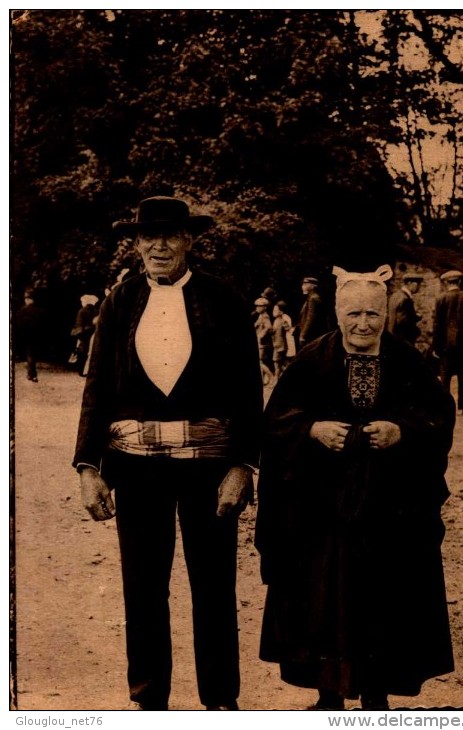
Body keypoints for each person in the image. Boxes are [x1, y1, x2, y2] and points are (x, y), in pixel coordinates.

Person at [73, 196, 262, 711]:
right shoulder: (119, 301)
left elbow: (249, 389)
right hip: (136, 470)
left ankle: (221, 699)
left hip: (209, 467)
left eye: (170, 235)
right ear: (136, 245)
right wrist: (89, 467)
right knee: (143, 587)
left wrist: (244, 465)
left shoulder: (224, 300)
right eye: (147, 236)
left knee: (214, 586)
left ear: (189, 241)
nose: (158, 245)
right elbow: (98, 388)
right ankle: (148, 697)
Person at [256, 265, 455, 711]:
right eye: (353, 315)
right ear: (337, 314)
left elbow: (438, 417)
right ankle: (328, 696)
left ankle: (376, 695)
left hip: (389, 510)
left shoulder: (408, 361)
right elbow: (276, 421)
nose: (363, 324)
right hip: (322, 509)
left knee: (384, 599)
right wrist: (312, 429)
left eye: (372, 314)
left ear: (386, 315)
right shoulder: (310, 359)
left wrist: (401, 431)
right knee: (325, 598)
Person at [433, 270, 463, 417]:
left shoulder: (441, 299)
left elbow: (437, 325)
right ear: (459, 282)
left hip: (446, 345)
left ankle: (443, 408)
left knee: (445, 377)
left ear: (447, 283)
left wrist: (436, 346)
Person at [16, 290, 45, 382]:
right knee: (33, 355)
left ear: (28, 300)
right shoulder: (40, 311)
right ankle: (31, 374)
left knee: (30, 355)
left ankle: (32, 374)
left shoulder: (22, 310)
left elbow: (18, 324)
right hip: (38, 335)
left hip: (27, 336)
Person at [387, 273, 423, 345]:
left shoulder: (395, 295)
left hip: (392, 335)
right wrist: (416, 319)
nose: (419, 287)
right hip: (403, 339)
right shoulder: (405, 299)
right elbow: (403, 322)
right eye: (417, 284)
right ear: (409, 283)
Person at [70, 294, 99, 375]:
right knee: (91, 352)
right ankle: (89, 370)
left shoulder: (82, 311)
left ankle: (81, 370)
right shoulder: (97, 311)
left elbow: (79, 323)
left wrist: (76, 332)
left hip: (83, 334)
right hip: (93, 333)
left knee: (81, 352)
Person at [297, 276, 329, 348]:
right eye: (303, 284)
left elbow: (310, 318)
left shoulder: (313, 298)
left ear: (312, 286)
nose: (303, 286)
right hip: (313, 333)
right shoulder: (311, 297)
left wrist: (303, 335)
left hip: (312, 334)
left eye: (305, 284)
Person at [254, 296, 274, 385]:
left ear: (264, 307)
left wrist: (261, 335)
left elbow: (269, 327)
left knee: (260, 362)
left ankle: (271, 377)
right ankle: (264, 380)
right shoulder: (261, 316)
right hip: (260, 342)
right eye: (257, 306)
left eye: (259, 306)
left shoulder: (265, 316)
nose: (257, 307)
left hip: (262, 343)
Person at [271, 301, 290, 381]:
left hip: (279, 346)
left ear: (281, 312)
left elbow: (287, 328)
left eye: (276, 310)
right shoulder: (276, 321)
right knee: (282, 363)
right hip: (278, 345)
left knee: (277, 364)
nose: (273, 312)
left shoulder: (280, 321)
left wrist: (285, 323)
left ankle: (276, 380)